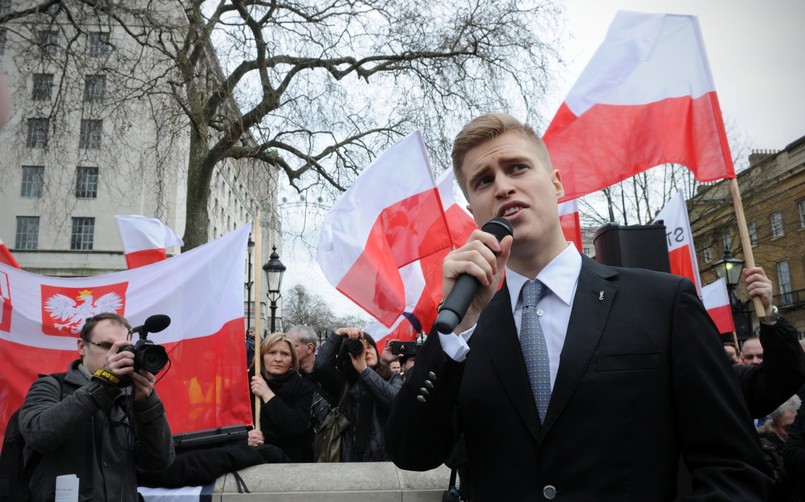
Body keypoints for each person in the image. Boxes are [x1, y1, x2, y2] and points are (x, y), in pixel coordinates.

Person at [386, 113, 770, 500]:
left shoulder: (663, 302)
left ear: (555, 183)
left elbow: (733, 467)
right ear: (473, 213)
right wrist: (456, 332)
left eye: (517, 168)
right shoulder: (467, 335)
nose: (502, 187)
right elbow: (411, 453)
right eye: (484, 180)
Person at [18, 312, 174, 501]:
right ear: (82, 347)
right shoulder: (51, 386)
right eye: (107, 346)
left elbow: (159, 462)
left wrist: (147, 402)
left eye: (124, 348)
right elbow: (39, 435)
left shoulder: (130, 398)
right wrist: (104, 384)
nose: (114, 355)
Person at [316, 328, 402, 461]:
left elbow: (396, 403)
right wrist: (338, 334)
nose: (366, 351)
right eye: (360, 348)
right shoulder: (344, 384)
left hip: (385, 460)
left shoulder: (393, 378)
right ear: (350, 355)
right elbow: (321, 367)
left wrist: (365, 370)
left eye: (369, 347)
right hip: (350, 460)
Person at [249, 332, 313, 463]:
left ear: (292, 361)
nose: (278, 359)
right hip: (249, 461)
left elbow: (295, 427)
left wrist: (267, 394)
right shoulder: (244, 385)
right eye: (272, 353)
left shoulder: (302, 388)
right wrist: (245, 437)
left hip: (288, 464)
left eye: (285, 354)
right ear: (262, 357)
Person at [287, 324, 331, 462]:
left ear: (309, 347)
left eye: (293, 346)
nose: (287, 350)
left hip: (329, 446)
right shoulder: (288, 377)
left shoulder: (331, 374)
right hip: (300, 450)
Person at [758, 396, 801, 501]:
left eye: (798, 426)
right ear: (774, 427)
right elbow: (770, 488)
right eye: (789, 428)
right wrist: (792, 460)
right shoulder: (763, 449)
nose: (795, 432)